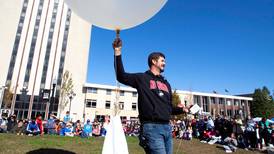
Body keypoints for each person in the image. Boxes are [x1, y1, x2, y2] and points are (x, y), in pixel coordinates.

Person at [113, 37, 188, 154]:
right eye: (162, 60)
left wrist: (181, 109)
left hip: (167, 128)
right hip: (151, 128)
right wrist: (117, 51)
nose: (165, 63)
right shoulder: (141, 78)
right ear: (154, 61)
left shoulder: (166, 83)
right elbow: (120, 75)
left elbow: (168, 108)